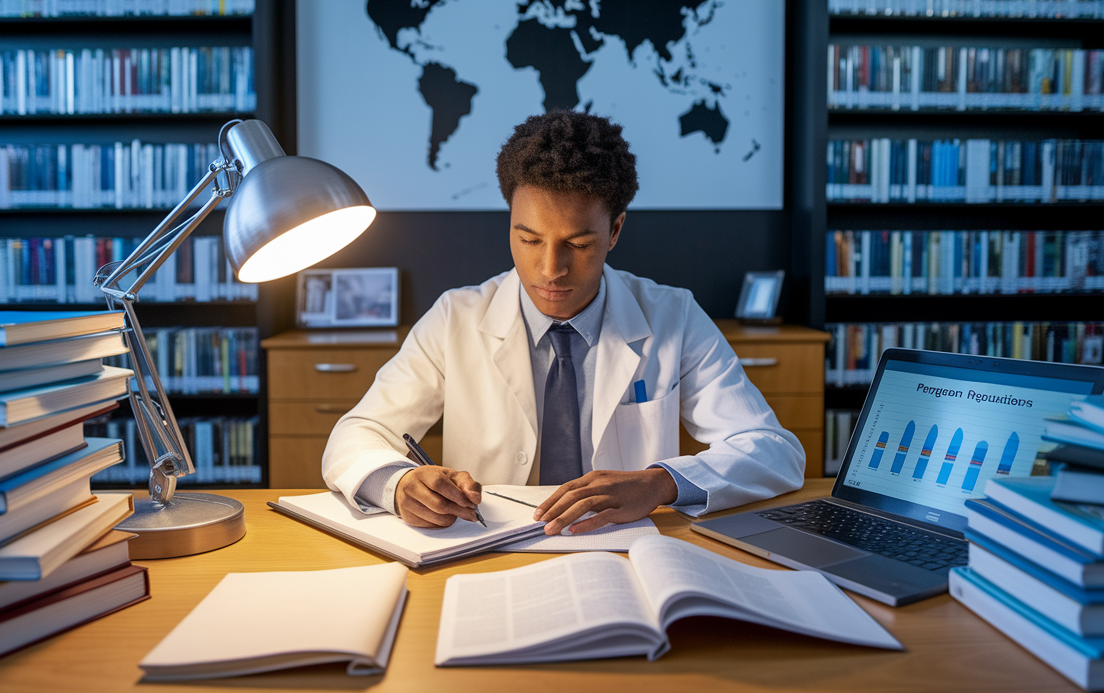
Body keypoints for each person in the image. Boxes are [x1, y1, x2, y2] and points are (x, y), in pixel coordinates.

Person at [321, 111, 804, 535]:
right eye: (529, 239)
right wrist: (399, 481)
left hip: (628, 550)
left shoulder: (671, 315)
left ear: (614, 231)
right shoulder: (456, 317)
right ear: (510, 222)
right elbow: (356, 434)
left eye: (577, 244)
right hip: (489, 550)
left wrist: (661, 483)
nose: (551, 269)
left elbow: (773, 451)